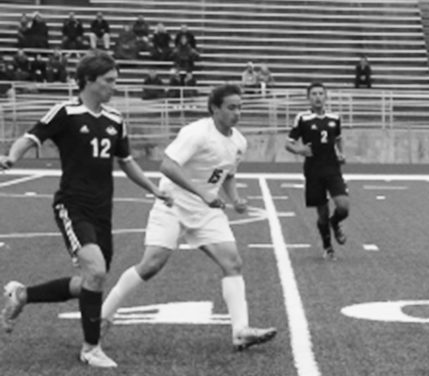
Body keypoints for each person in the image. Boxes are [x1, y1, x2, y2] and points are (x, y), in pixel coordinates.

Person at [0, 52, 172, 368]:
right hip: (72, 205)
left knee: (90, 282)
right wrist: (11, 157)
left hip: (102, 209)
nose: (114, 87)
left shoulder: (115, 120)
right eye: (109, 81)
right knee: (96, 271)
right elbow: (30, 137)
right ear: (89, 80)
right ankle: (91, 348)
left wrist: (154, 189)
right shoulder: (65, 112)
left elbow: (127, 161)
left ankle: (22, 295)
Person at [100, 84, 277, 354]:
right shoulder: (196, 133)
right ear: (214, 108)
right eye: (231, 107)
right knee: (151, 265)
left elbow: (226, 174)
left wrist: (235, 199)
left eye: (240, 107)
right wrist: (201, 194)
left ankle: (240, 331)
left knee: (233, 263)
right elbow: (168, 166)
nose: (237, 113)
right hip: (173, 203)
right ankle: (102, 316)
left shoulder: (238, 141)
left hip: (206, 210)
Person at [285, 82, 349, 260]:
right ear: (308, 98)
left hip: (332, 168)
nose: (318, 97)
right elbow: (288, 143)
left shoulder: (335, 117)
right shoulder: (302, 118)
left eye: (321, 93)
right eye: (314, 94)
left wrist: (341, 153)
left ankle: (334, 223)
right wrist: (300, 150)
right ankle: (328, 247)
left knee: (343, 207)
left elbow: (338, 139)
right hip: (313, 170)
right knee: (321, 212)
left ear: (326, 97)